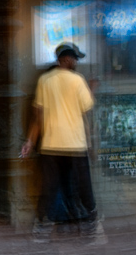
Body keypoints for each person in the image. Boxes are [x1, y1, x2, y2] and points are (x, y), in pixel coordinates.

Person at [20, 42, 106, 244]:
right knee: (84, 189)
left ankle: (40, 230)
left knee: (48, 188)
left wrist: (30, 142)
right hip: (75, 145)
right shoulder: (77, 81)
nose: (76, 62)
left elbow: (38, 116)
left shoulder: (44, 80)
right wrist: (91, 88)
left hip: (51, 146)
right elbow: (86, 107)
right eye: (75, 58)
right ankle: (91, 230)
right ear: (66, 59)